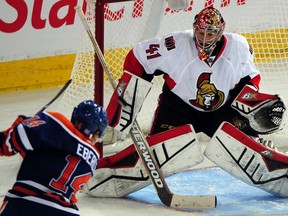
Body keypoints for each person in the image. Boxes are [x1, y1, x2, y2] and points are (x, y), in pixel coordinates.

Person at [85, 7, 286, 198]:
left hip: (223, 111)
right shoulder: (175, 45)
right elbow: (139, 56)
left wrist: (251, 104)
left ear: (220, 32)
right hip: (178, 109)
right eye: (200, 33)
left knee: (251, 146)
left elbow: (251, 79)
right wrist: (126, 100)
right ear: (194, 29)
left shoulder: (238, 46)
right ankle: (104, 169)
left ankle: (270, 160)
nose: (204, 39)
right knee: (157, 154)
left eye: (210, 34)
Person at [0, 100, 108, 216]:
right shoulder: (94, 157)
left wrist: (24, 124)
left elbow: (9, 143)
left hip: (25, 203)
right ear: (96, 132)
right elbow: (49, 160)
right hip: (66, 211)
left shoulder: (57, 122)